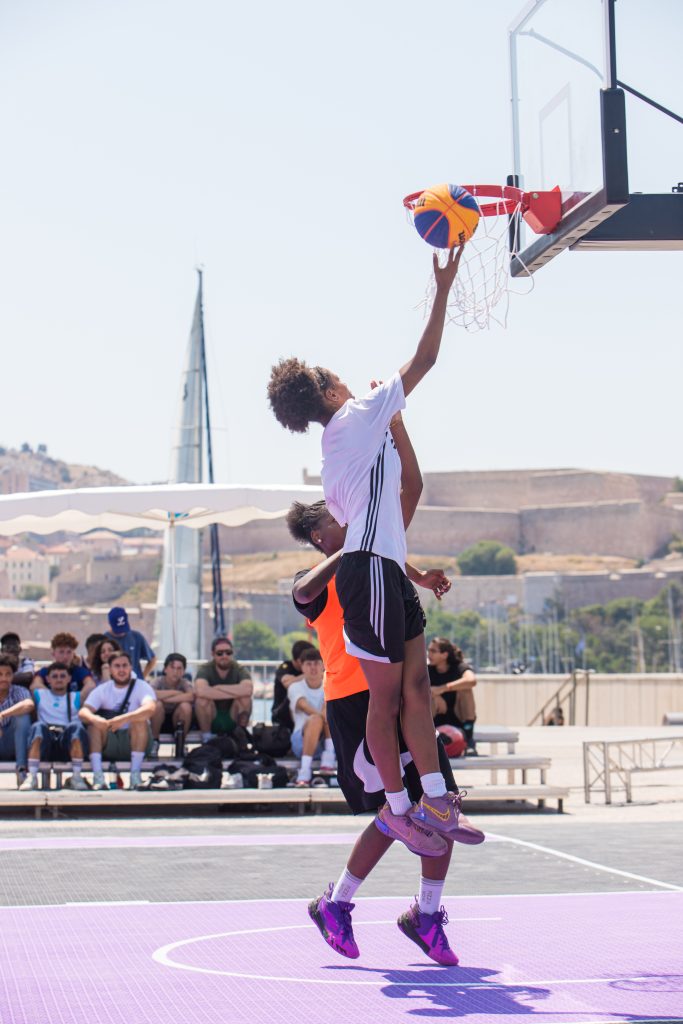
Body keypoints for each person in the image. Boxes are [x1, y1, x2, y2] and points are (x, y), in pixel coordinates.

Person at [268, 246, 467, 854]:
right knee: (389, 698)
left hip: (382, 571)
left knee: (413, 693)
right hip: (369, 574)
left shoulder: (342, 448)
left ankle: (431, 793)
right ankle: (402, 805)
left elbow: (390, 508)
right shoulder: (357, 414)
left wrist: (415, 570)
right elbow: (427, 357)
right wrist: (444, 285)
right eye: (339, 375)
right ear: (330, 388)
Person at [286, 405, 483, 964]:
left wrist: (423, 575)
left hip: (399, 701)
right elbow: (301, 592)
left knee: (437, 803)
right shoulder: (326, 577)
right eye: (332, 519)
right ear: (318, 533)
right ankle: (336, 902)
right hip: (357, 704)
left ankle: (426, 914)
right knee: (393, 814)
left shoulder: (372, 557)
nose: (344, 519)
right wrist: (355, 547)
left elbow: (393, 555)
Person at [78, 651, 156, 790]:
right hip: (110, 741)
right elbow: (84, 712)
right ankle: (98, 777)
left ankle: (135, 776)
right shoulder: (103, 689)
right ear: (110, 669)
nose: (121, 670)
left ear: (131, 667)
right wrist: (96, 719)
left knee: (139, 720)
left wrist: (125, 718)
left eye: (125, 665)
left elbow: (150, 708)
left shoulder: (142, 686)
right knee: (93, 725)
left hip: (135, 740)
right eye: (117, 666)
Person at [23, 663, 90, 791]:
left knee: (76, 727)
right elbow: (34, 684)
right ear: (47, 679)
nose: (59, 679)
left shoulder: (77, 696)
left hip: (66, 742)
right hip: (46, 741)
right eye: (54, 676)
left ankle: (76, 776)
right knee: (37, 727)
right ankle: (32, 776)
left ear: (69, 678)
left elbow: (91, 686)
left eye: (63, 676)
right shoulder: (39, 694)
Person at [288, 646, 336, 785]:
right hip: (301, 742)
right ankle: (305, 770)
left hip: (326, 740)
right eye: (308, 664)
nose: (313, 668)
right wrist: (322, 717)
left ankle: (329, 756)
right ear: (302, 667)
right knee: (316, 718)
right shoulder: (295, 687)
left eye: (316, 663)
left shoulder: (330, 685)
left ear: (323, 665)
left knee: (328, 708)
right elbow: (303, 706)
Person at [194, 638, 253, 741]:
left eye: (228, 652)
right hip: (212, 716)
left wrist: (218, 688)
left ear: (232, 653)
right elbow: (201, 691)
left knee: (245, 699)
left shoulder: (240, 669)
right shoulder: (205, 669)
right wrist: (235, 692)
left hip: (232, 715)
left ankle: (240, 737)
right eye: (220, 653)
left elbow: (248, 690)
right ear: (213, 654)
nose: (224, 656)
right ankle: (207, 738)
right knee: (201, 700)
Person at [428, 637, 478, 755]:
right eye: (429, 650)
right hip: (435, 718)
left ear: (444, 655)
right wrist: (434, 695)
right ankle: (426, 736)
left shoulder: (459, 667)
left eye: (433, 651)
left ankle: (469, 739)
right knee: (427, 693)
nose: (429, 654)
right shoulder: (427, 670)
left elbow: (472, 680)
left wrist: (442, 689)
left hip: (458, 719)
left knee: (467, 689)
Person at [149, 652, 194, 758]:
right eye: (172, 667)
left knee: (186, 707)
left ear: (183, 671)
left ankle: (181, 742)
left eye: (179, 668)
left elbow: (191, 696)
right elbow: (151, 694)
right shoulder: (157, 681)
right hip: (158, 720)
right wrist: (176, 693)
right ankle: (154, 742)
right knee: (158, 705)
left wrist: (165, 699)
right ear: (165, 669)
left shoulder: (184, 683)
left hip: (177, 720)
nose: (175, 672)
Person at [0, 654, 33, 787]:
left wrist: (2, 715)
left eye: (8, 674)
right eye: (0, 674)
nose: (3, 678)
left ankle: (21, 771)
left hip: (12, 743)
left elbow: (29, 704)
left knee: (22, 717)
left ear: (13, 676)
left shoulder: (19, 690)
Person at [33, 632, 95, 698]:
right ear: (53, 653)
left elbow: (91, 685)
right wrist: (52, 698)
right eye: (61, 652)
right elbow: (35, 685)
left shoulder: (80, 671)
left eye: (69, 652)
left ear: (73, 653)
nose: (65, 656)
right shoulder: (45, 671)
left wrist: (77, 700)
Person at [105, 606, 156, 680]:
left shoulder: (136, 637)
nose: (121, 633)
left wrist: (142, 677)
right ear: (110, 623)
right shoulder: (104, 639)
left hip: (134, 682)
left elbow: (152, 659)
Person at [271, 639, 310, 730]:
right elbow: (287, 683)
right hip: (283, 714)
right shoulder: (285, 667)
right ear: (300, 661)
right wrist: (309, 675)